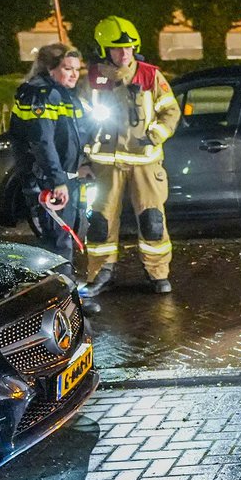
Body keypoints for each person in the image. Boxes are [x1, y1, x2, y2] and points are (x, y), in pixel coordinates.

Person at [79, 16, 181, 297]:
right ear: (104, 50)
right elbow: (81, 122)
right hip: (104, 164)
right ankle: (100, 273)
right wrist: (82, 161)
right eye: (116, 49)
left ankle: (157, 273)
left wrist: (155, 135)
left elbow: (171, 111)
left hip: (144, 162)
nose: (124, 54)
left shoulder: (150, 76)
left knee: (152, 220)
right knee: (99, 223)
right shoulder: (94, 78)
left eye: (128, 48)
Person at [9, 43, 99, 311]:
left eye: (76, 69)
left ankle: (58, 295)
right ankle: (63, 303)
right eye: (67, 69)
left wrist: (80, 166)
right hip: (47, 180)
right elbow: (42, 143)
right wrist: (58, 180)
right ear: (50, 68)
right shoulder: (42, 95)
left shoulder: (61, 93)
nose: (74, 75)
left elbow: (71, 137)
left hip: (62, 177)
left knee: (60, 239)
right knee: (57, 240)